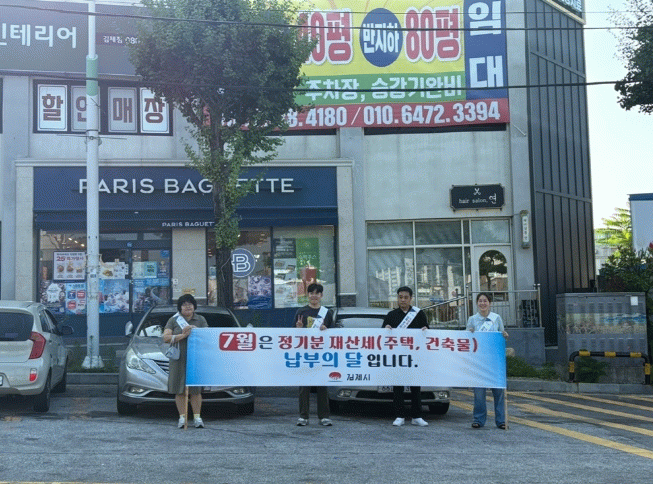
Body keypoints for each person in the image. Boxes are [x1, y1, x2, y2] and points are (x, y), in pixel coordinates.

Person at [382, 286, 429, 427]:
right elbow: (382, 334)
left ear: (411, 298)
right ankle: (399, 416)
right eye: (400, 297)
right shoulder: (391, 315)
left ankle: (417, 416)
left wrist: (425, 330)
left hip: (415, 356)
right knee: (398, 387)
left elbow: (427, 331)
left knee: (415, 387)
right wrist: (386, 329)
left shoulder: (419, 314)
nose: (403, 300)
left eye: (406, 297)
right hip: (397, 356)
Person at [162, 294, 208, 429]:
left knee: (195, 390)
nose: (188, 307)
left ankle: (197, 418)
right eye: (184, 304)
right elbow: (166, 338)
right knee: (179, 389)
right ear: (180, 307)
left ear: (194, 306)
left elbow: (207, 335)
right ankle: (182, 418)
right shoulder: (173, 320)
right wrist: (183, 335)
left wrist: (195, 330)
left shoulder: (200, 319)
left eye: (190, 304)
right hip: (178, 359)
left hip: (196, 358)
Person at [466, 292, 509, 430]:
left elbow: (502, 334)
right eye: (480, 301)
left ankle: (501, 421)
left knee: (499, 392)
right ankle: (478, 419)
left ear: (490, 303)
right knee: (479, 393)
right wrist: (469, 332)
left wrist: (505, 335)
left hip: (495, 361)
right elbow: (466, 339)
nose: (482, 303)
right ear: (477, 303)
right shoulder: (472, 319)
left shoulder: (496, 318)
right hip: (479, 361)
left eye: (485, 301)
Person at [294, 283, 333, 427]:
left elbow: (334, 335)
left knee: (322, 386)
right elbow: (292, 335)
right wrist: (298, 328)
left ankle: (324, 417)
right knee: (304, 387)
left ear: (321, 295)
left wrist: (326, 330)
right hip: (305, 353)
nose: (314, 296)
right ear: (308, 295)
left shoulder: (327, 313)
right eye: (311, 293)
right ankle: (303, 416)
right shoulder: (301, 312)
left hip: (322, 354)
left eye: (317, 293)